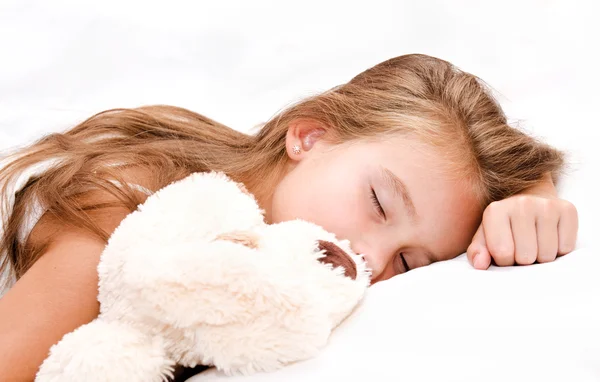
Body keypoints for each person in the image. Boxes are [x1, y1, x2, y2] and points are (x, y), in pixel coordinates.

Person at [0, 54, 578, 381]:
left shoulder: (283, 269)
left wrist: (530, 193)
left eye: (409, 261)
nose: (373, 260)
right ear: (309, 135)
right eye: (378, 203)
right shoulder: (128, 209)